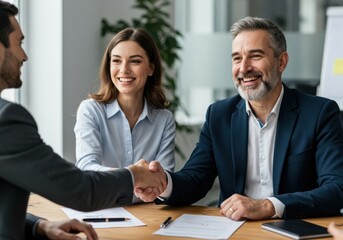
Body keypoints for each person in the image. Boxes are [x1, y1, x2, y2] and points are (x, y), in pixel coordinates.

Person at [136, 16, 343, 221]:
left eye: (255, 56)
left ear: (281, 62)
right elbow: (196, 178)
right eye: (236, 58)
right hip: (234, 229)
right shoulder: (219, 115)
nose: (243, 68)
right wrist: (163, 182)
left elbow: (337, 188)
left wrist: (268, 206)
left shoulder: (319, 113)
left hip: (293, 228)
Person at [0, 1, 166, 239]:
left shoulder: (163, 117)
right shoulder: (6, 119)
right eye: (19, 44)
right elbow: (80, 190)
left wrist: (37, 226)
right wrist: (134, 175)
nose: (24, 55)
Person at [74, 28, 175, 175]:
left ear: (151, 68)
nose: (124, 69)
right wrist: (135, 176)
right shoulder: (90, 111)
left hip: (147, 199)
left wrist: (127, 180)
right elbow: (87, 168)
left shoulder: (164, 119)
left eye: (135, 61)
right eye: (116, 61)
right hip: (103, 199)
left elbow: (162, 179)